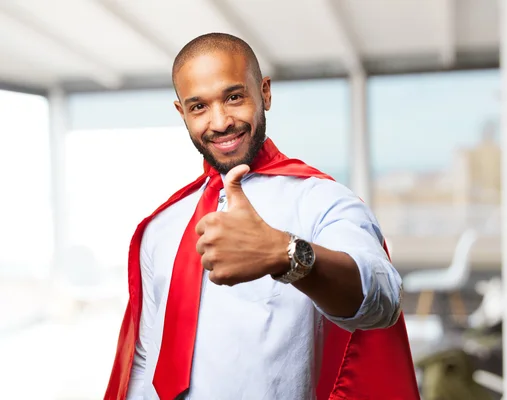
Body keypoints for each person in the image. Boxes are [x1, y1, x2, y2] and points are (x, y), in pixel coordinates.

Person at [104, 33, 419, 400]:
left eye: (233, 97)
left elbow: (382, 299)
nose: (220, 122)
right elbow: (145, 358)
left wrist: (285, 254)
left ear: (265, 93)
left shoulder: (319, 199)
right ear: (181, 113)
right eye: (199, 107)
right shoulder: (161, 225)